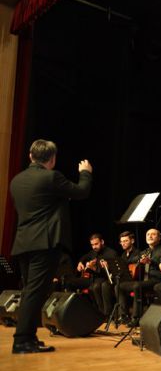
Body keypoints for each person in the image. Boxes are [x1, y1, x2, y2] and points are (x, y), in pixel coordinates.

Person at [8, 140, 93, 353]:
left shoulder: (17, 180)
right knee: (35, 292)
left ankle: (29, 337)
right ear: (53, 159)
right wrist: (85, 173)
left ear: (30, 156)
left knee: (31, 291)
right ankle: (22, 340)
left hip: (23, 242)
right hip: (44, 243)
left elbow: (39, 205)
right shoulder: (51, 177)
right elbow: (82, 191)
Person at [116, 228, 161, 326]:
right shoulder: (145, 251)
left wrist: (151, 261)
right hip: (144, 280)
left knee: (137, 286)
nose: (150, 236)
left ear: (159, 238)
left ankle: (136, 318)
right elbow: (130, 260)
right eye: (148, 234)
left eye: (153, 234)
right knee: (119, 286)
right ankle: (124, 315)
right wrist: (139, 261)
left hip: (156, 279)